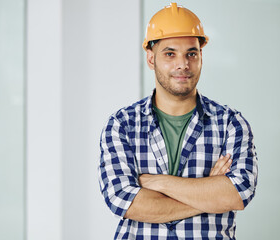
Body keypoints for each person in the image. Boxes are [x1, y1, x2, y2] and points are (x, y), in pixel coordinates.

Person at [98, 2, 258, 239]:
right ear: (151, 59)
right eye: (170, 54)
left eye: (191, 54)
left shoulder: (230, 124)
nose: (183, 64)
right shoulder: (122, 125)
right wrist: (209, 193)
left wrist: (158, 183)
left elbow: (237, 194)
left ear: (201, 56)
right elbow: (125, 202)